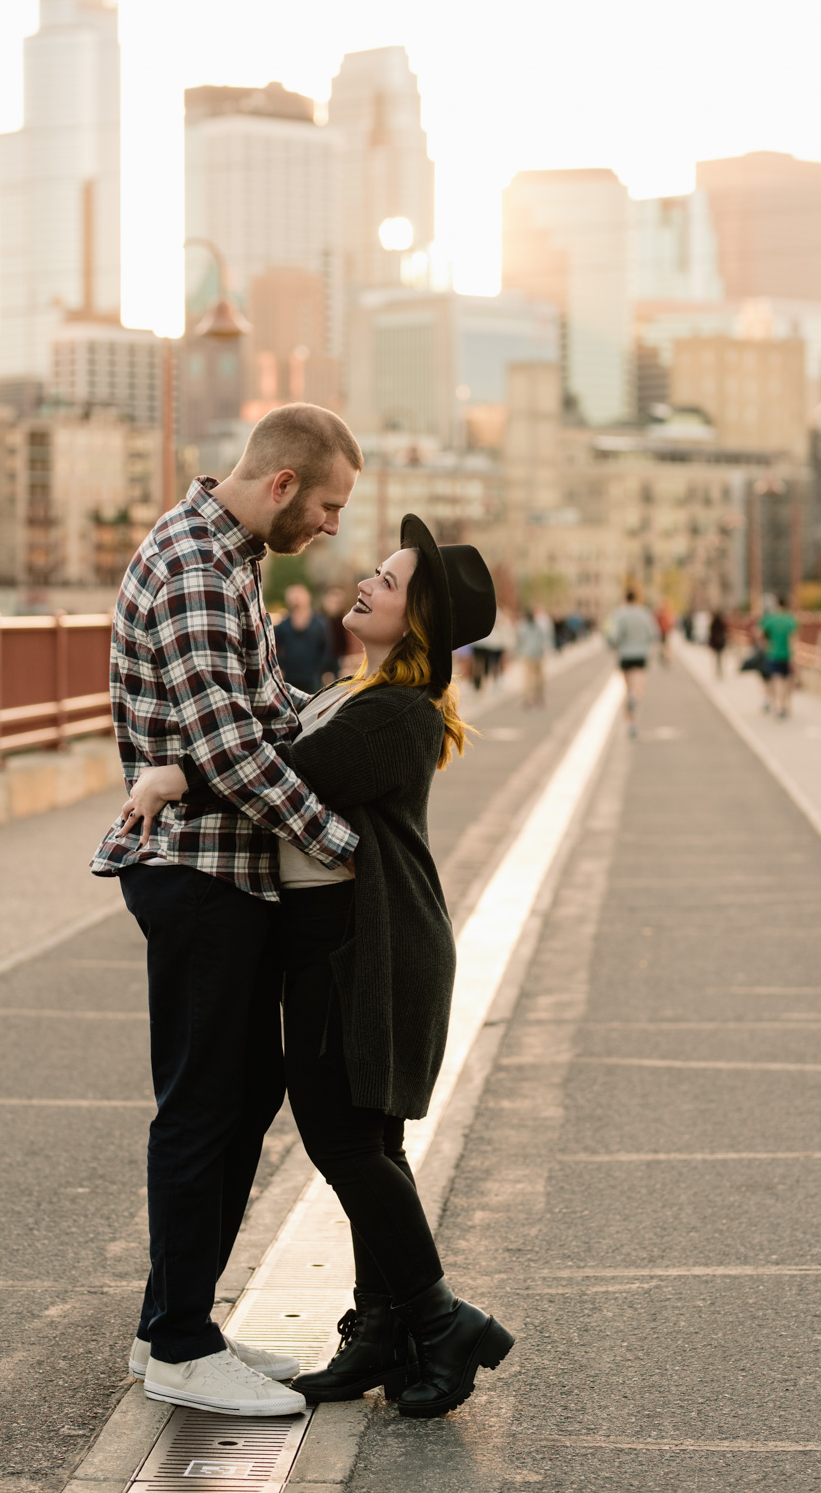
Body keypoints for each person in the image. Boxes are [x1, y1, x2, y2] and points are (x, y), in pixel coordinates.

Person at [124, 514, 516, 1421]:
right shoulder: (353, 690)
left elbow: (285, 774)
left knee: (344, 1140)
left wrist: (172, 776)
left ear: (414, 620)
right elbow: (278, 734)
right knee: (368, 1140)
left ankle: (437, 1317)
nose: (368, 582)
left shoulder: (394, 714)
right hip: (345, 934)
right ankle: (381, 1327)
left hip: (365, 941)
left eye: (389, 579)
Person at [90, 403, 363, 1419]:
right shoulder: (201, 570)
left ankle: (180, 1320)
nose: (335, 526)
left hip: (224, 867)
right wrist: (345, 844)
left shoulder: (230, 555)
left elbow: (267, 712)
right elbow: (228, 752)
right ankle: (178, 1343)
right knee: (206, 1099)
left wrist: (350, 718)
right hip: (198, 870)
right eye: (331, 504)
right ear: (284, 484)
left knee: (241, 1093)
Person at [607, 588, 660, 738]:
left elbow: (614, 635)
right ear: (637, 598)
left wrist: (613, 646)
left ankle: (630, 723)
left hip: (625, 655)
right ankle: (635, 697)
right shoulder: (645, 614)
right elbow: (653, 634)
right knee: (638, 687)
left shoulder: (619, 615)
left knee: (627, 687)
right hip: (641, 654)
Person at [274, 582, 339, 694]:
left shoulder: (320, 623)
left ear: (307, 597)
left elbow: (327, 648)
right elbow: (274, 647)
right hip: (289, 678)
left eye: (299, 595)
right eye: (293, 596)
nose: (296, 599)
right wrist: (281, 667)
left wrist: (321, 669)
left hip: (312, 677)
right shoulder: (283, 625)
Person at [758, 591, 799, 718]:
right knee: (787, 682)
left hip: (773, 654)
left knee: (777, 681)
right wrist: (793, 656)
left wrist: (765, 646)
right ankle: (785, 705)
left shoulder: (770, 618)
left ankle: (779, 707)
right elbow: (794, 640)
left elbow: (759, 634)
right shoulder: (791, 620)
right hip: (787, 655)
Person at [515, 607, 547, 708]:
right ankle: (533, 698)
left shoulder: (527, 628)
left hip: (532, 655)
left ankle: (533, 697)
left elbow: (520, 641)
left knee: (533, 678)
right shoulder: (530, 628)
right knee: (534, 678)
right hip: (533, 655)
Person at [708, 609, 728, 678]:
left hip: (717, 643)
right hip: (719, 643)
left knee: (718, 658)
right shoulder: (719, 622)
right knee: (719, 658)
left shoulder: (714, 623)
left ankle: (718, 671)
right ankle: (719, 671)